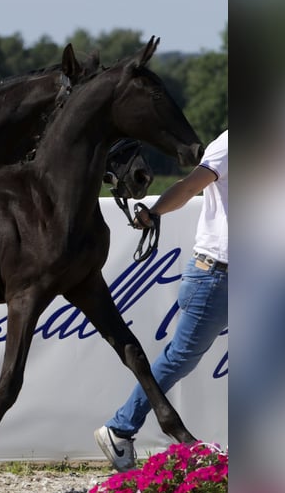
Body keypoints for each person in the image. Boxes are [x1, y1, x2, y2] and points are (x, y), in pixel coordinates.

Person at [95, 129, 228, 472]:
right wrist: (154, 211)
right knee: (179, 358)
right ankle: (119, 428)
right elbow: (188, 186)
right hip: (217, 275)